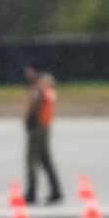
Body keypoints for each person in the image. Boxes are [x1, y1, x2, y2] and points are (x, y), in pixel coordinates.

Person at [23, 66, 63, 205]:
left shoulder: (39, 90)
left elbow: (34, 107)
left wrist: (28, 122)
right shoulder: (49, 92)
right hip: (44, 128)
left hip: (37, 129)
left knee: (31, 160)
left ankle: (31, 192)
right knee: (46, 160)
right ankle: (56, 190)